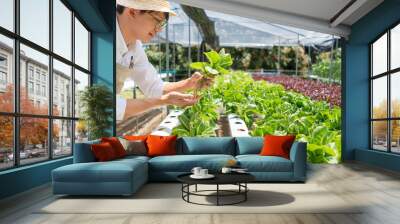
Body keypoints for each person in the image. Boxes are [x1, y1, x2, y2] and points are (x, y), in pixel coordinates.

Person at [116, 0, 211, 121]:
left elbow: (154, 87)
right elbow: (108, 106)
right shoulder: (98, 36)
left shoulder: (135, 48)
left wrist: (189, 83)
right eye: (157, 21)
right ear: (133, 11)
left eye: (163, 25)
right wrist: (163, 101)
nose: (159, 29)